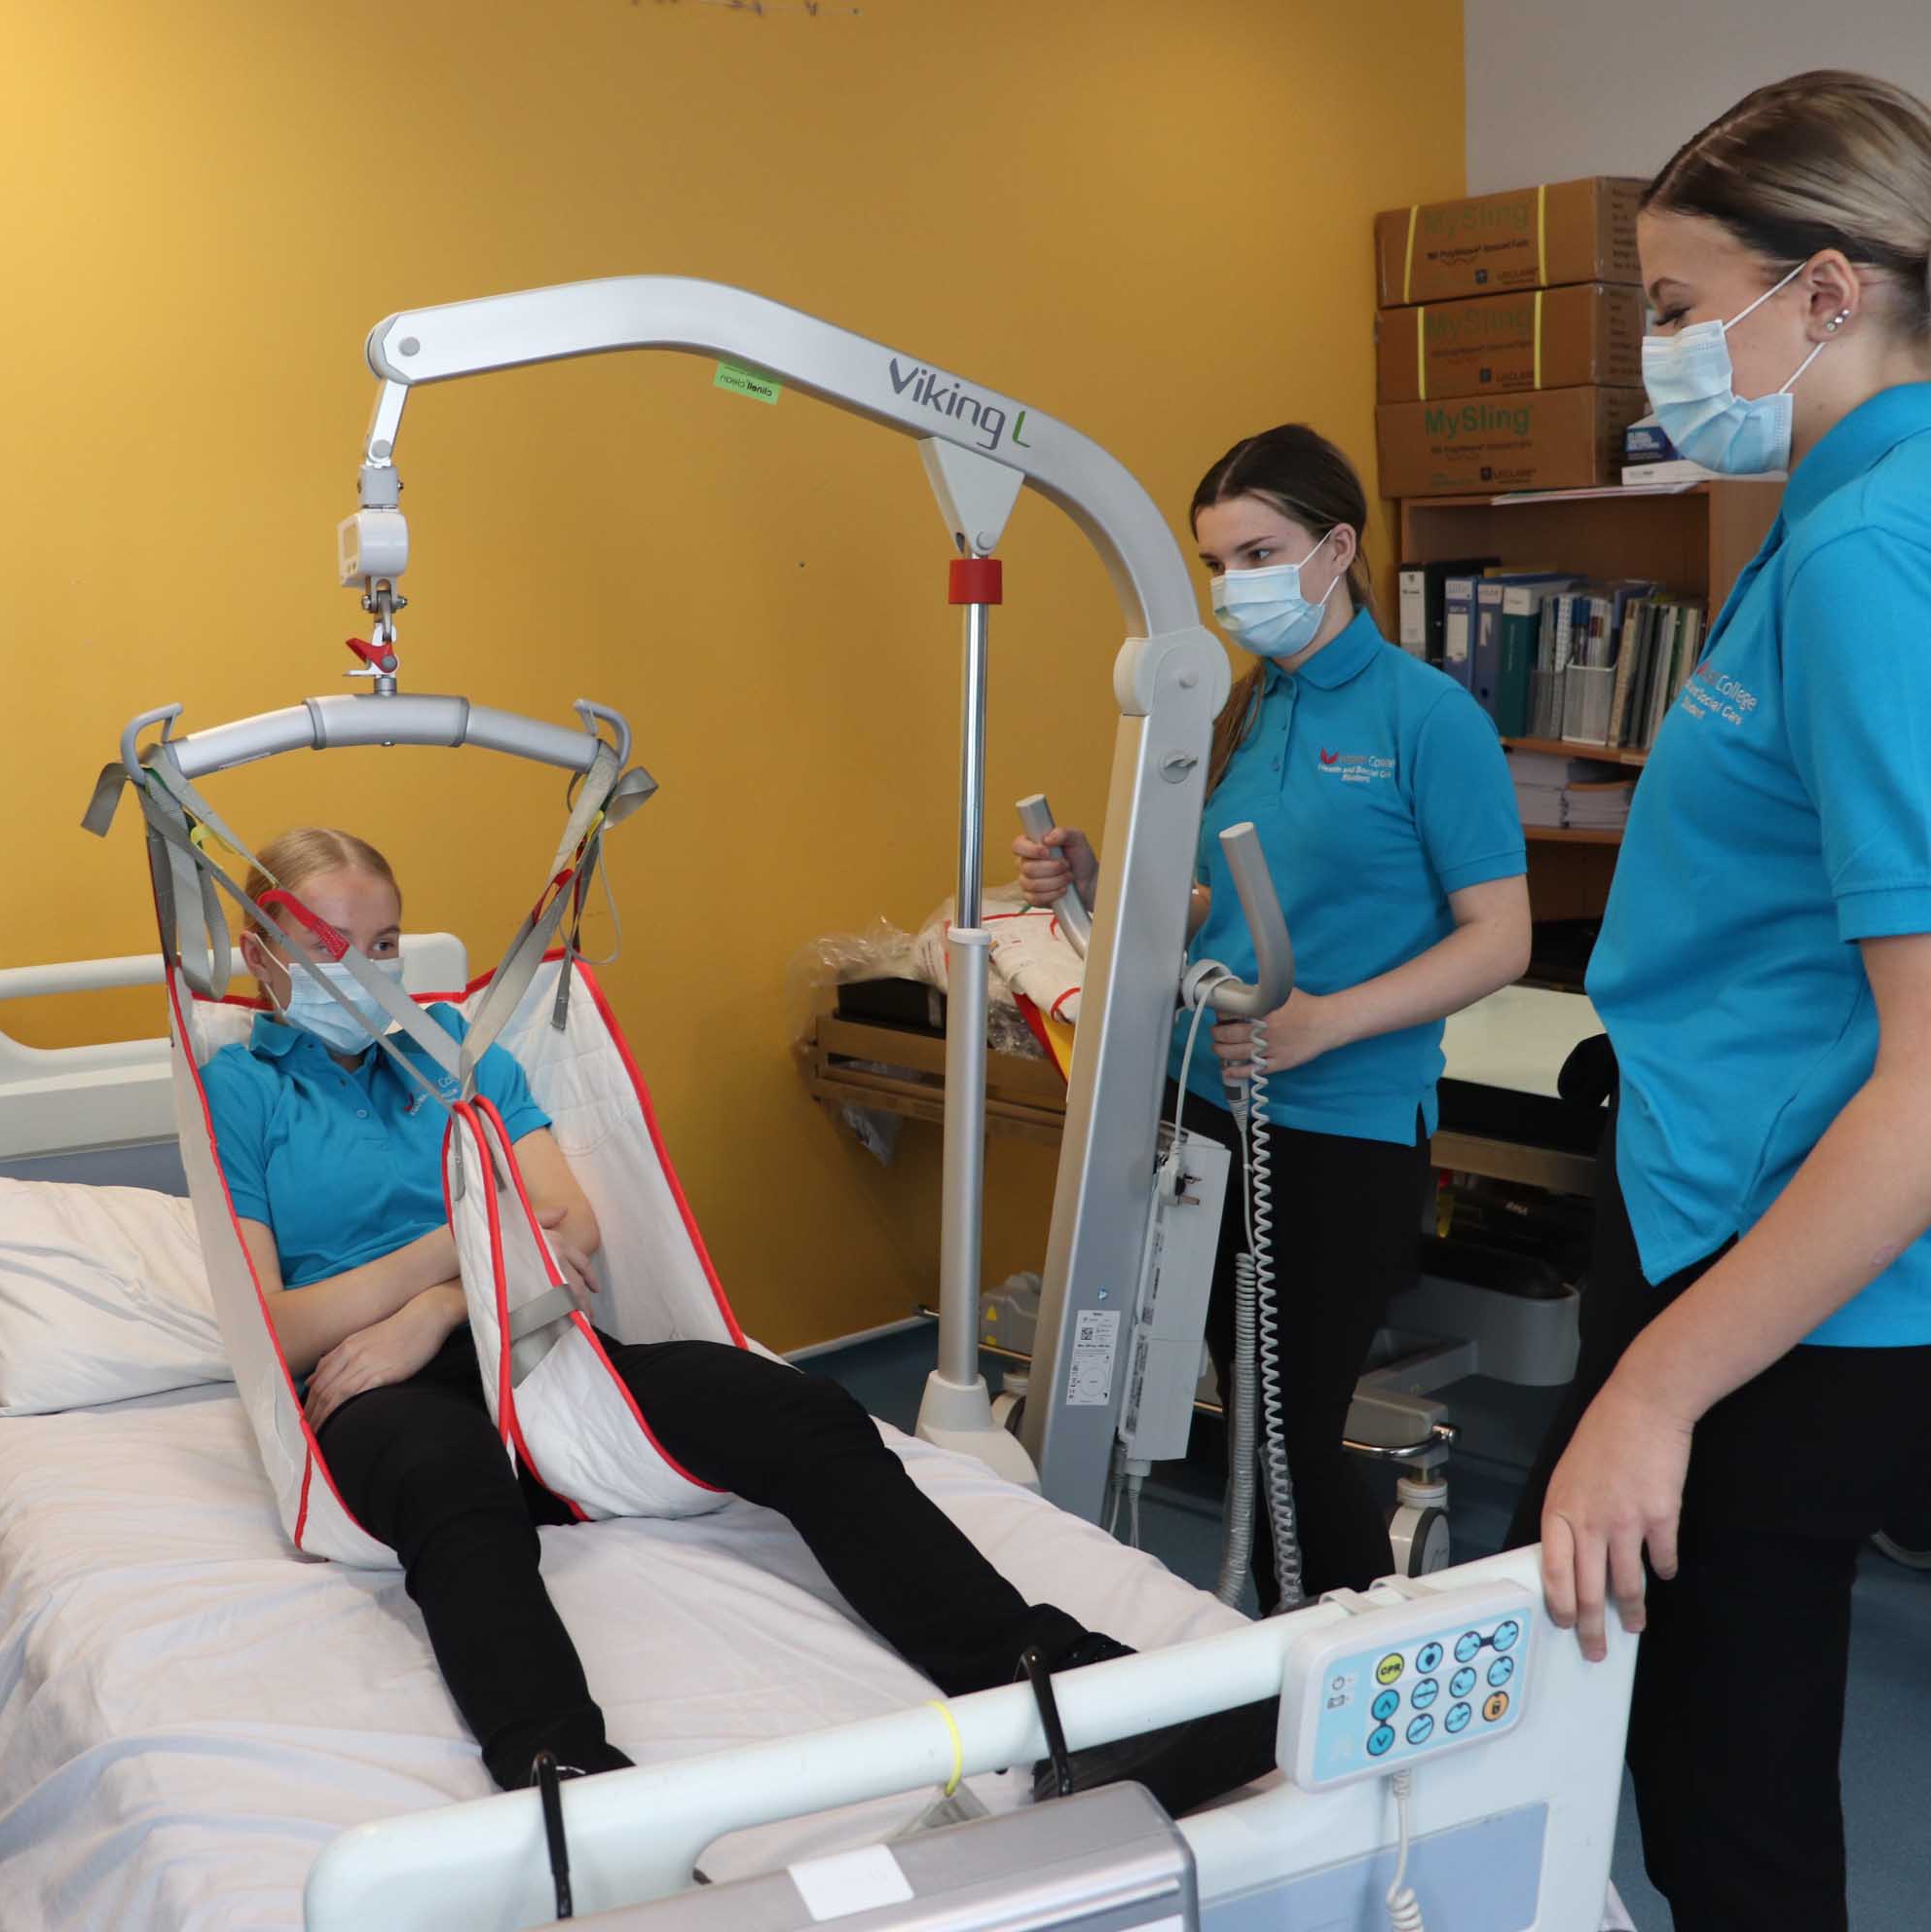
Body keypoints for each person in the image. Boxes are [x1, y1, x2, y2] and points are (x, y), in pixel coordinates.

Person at [202, 826, 1279, 1806]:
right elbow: (279, 1328)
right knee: (451, 1482)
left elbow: (567, 1231)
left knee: (805, 1411)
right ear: (261, 958)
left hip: (533, 1350)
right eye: (335, 947)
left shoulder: (457, 1047)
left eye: (384, 945)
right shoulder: (239, 1090)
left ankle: (1064, 1690)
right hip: (376, 1390)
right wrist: (468, 1241)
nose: (369, 974)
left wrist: (440, 1293)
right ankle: (569, 1783)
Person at [1504, 71, 1931, 1932]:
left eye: (1678, 310)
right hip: (1743, 1207)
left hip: (1780, 1269)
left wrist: (1648, 1390)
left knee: (1719, 1791)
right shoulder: (1833, 518)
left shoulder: (1862, 550)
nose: (1661, 358)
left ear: (1825, 293)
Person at [1016, 426, 1529, 1606]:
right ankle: (1277, 1666)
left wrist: (1327, 1022)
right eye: (1215, 561)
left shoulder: (1425, 717)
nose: (1233, 583)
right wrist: (1097, 876)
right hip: (1204, 1107)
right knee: (1235, 1421)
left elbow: (1496, 935)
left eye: (1259, 550)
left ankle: (1353, 1669)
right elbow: (1216, 902)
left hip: (1339, 1125)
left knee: (1288, 1441)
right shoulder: (1241, 709)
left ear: (1335, 547)